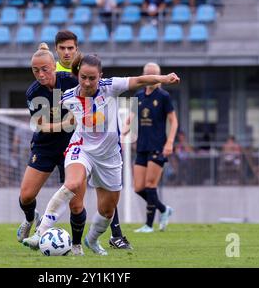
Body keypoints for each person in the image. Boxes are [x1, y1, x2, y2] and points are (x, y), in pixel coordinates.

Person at [22, 55, 180, 255]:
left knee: (107, 210)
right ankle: (40, 233)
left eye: (92, 78)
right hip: (81, 149)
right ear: (78, 76)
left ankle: (92, 240)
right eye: (84, 77)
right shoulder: (68, 97)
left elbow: (138, 80)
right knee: (72, 184)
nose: (87, 83)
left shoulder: (111, 86)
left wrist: (164, 78)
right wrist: (45, 126)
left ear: (100, 76)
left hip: (109, 157)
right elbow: (46, 117)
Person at [55, 30, 132, 249]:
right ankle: (50, 233)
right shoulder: (55, 76)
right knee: (74, 197)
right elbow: (53, 109)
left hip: (104, 148)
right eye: (63, 48)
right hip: (77, 145)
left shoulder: (100, 82)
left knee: (107, 203)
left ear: (77, 49)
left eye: (71, 48)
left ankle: (107, 235)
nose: (67, 52)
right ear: (56, 49)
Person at [16, 42, 87, 256]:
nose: (40, 74)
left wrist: (68, 124)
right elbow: (41, 126)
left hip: (74, 147)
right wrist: (65, 124)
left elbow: (81, 115)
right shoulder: (33, 92)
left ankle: (76, 246)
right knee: (26, 196)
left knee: (76, 205)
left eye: (44, 69)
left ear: (54, 67)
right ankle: (31, 218)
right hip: (45, 146)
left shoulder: (71, 83)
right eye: (35, 70)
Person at [122, 63, 178, 233]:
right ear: (145, 75)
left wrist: (169, 143)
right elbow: (130, 118)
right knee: (138, 187)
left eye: (155, 74)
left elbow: (173, 121)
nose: (152, 78)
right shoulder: (138, 95)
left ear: (159, 76)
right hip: (142, 146)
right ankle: (163, 209)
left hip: (157, 146)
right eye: (149, 74)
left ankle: (148, 225)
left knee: (150, 185)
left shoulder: (163, 96)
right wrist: (123, 131)